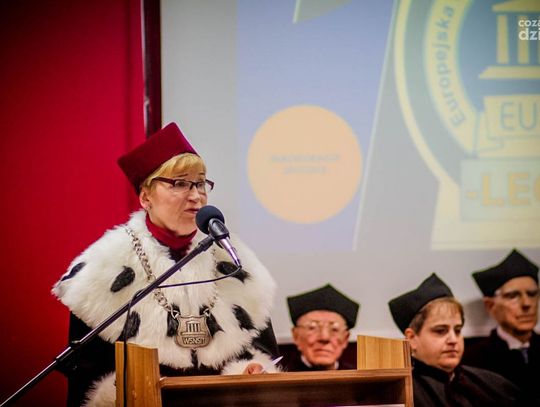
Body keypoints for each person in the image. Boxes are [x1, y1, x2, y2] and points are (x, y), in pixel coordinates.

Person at [52, 123, 279, 406]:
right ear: (145, 197)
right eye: (180, 183)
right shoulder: (102, 271)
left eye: (200, 183)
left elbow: (260, 352)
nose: (196, 195)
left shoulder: (235, 262)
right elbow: (89, 380)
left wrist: (253, 370)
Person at [388, 273, 522, 407]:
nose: (453, 340)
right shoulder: (397, 393)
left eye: (457, 330)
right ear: (411, 338)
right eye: (440, 331)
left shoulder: (495, 384)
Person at [462, 249, 540, 405]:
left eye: (532, 294)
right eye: (513, 295)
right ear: (490, 305)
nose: (527, 304)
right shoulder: (472, 360)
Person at [284, 284, 359, 371]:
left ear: (346, 339)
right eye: (312, 327)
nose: (324, 337)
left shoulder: (360, 377)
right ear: (296, 336)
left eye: (334, 329)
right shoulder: (279, 374)